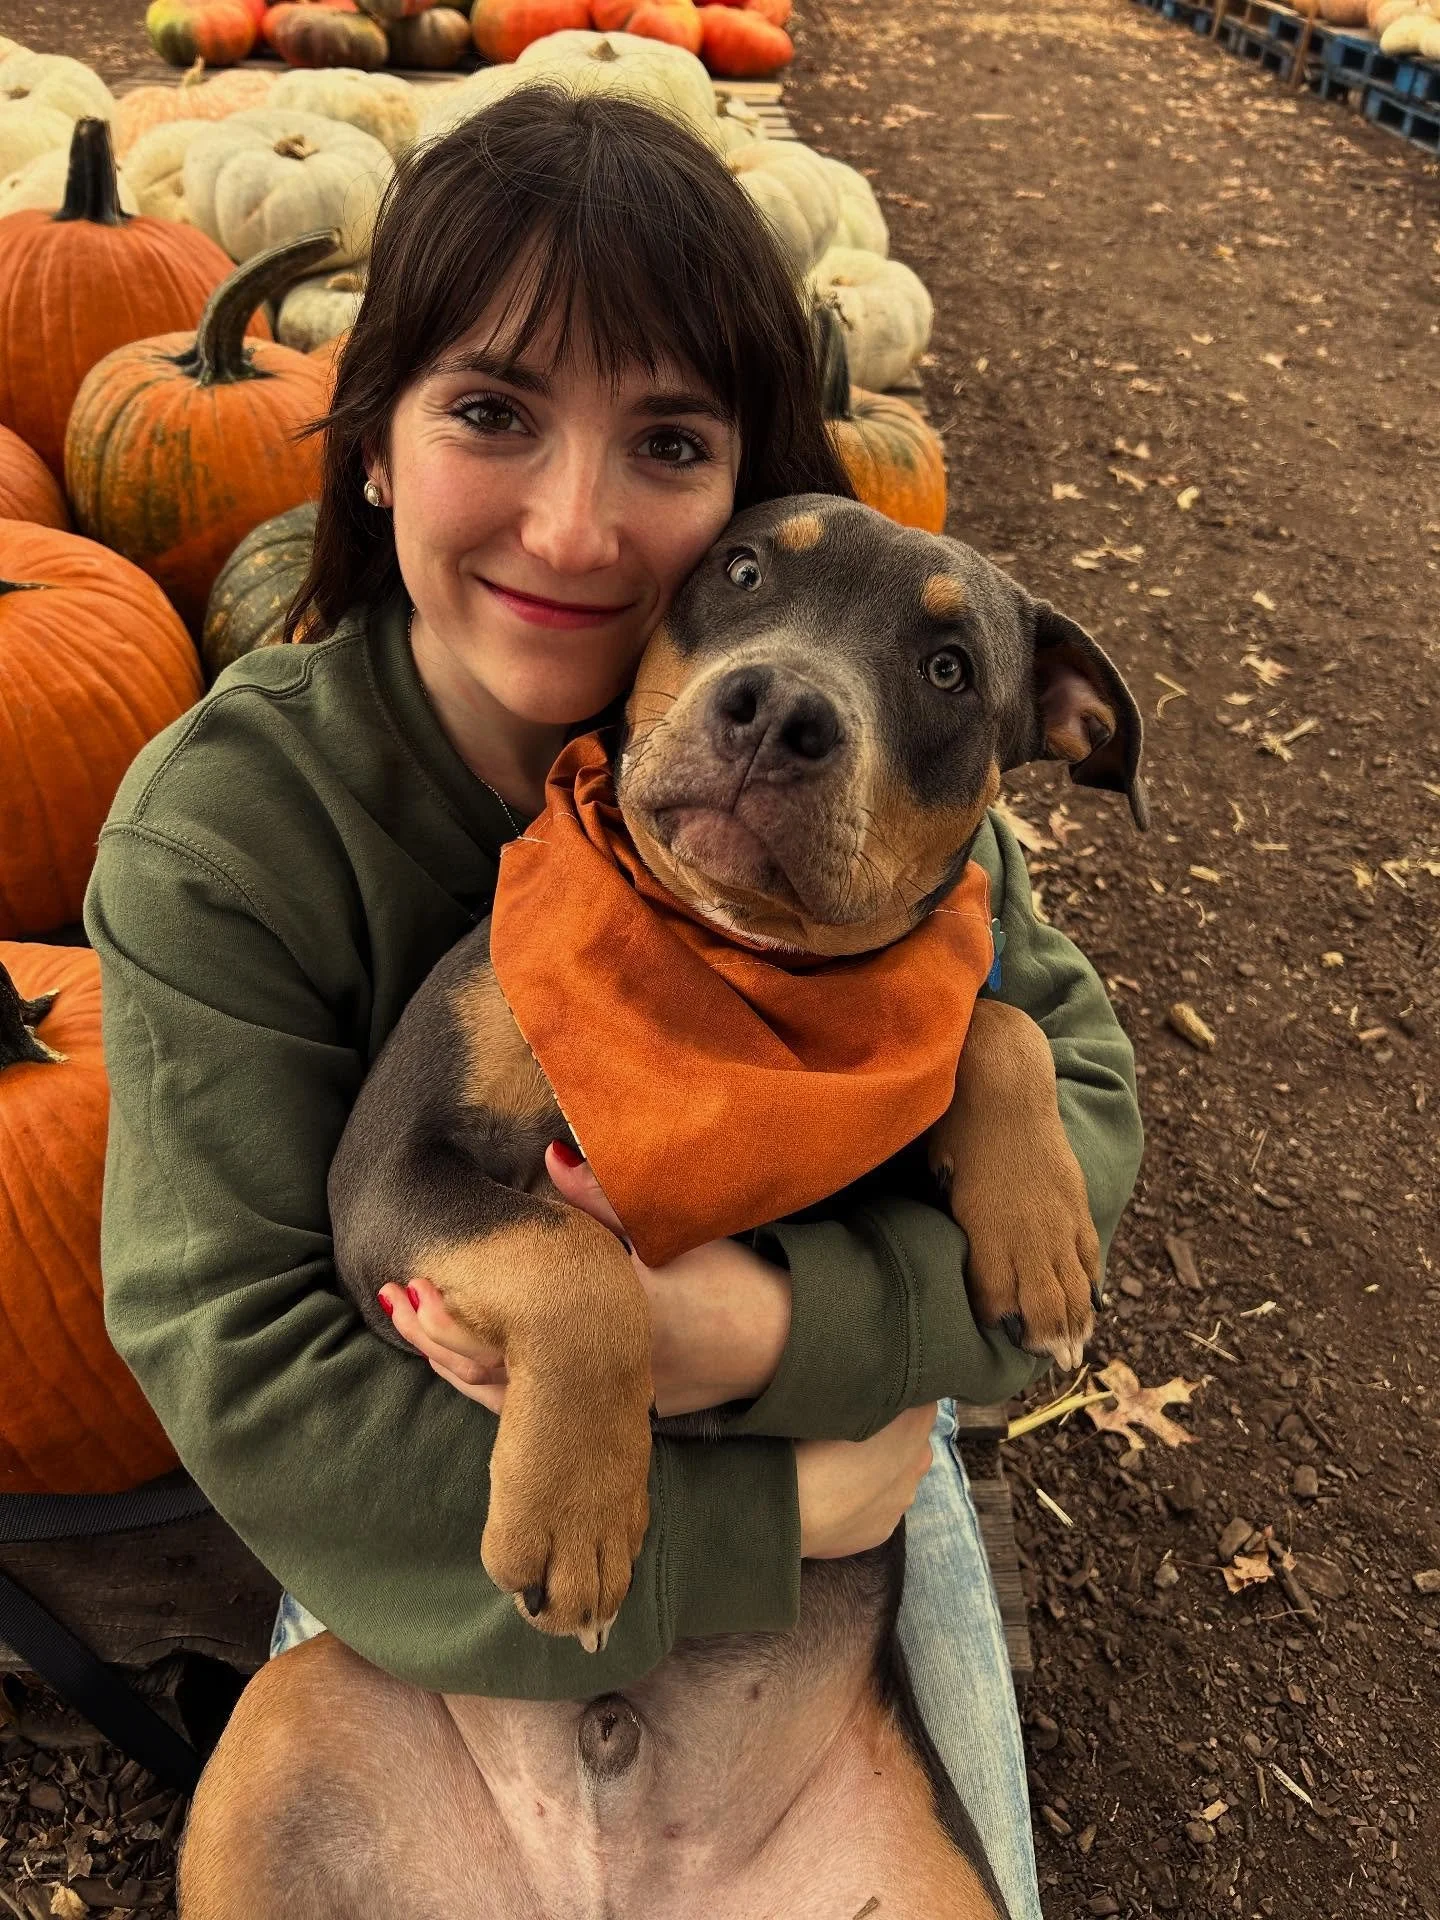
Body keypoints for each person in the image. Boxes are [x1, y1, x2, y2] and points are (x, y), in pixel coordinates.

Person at [84, 86, 1142, 1918]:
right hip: (459, 1497)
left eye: (666, 443)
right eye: (491, 414)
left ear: (749, 481)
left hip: (830, 1543)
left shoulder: (895, 829)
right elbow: (240, 1364)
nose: (574, 528)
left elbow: (1045, 1268)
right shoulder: (226, 828)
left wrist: (763, 1333)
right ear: (368, 445)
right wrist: (763, 1505)